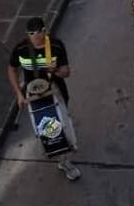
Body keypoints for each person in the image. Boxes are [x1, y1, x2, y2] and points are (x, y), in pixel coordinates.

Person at [7, 17, 80, 180]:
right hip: (33, 95)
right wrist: (19, 94)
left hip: (55, 91)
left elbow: (66, 72)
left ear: (44, 31)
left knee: (63, 125)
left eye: (37, 33)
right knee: (48, 129)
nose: (34, 37)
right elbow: (11, 69)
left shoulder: (55, 46)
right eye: (31, 34)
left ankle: (65, 160)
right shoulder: (21, 48)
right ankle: (59, 155)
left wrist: (54, 71)